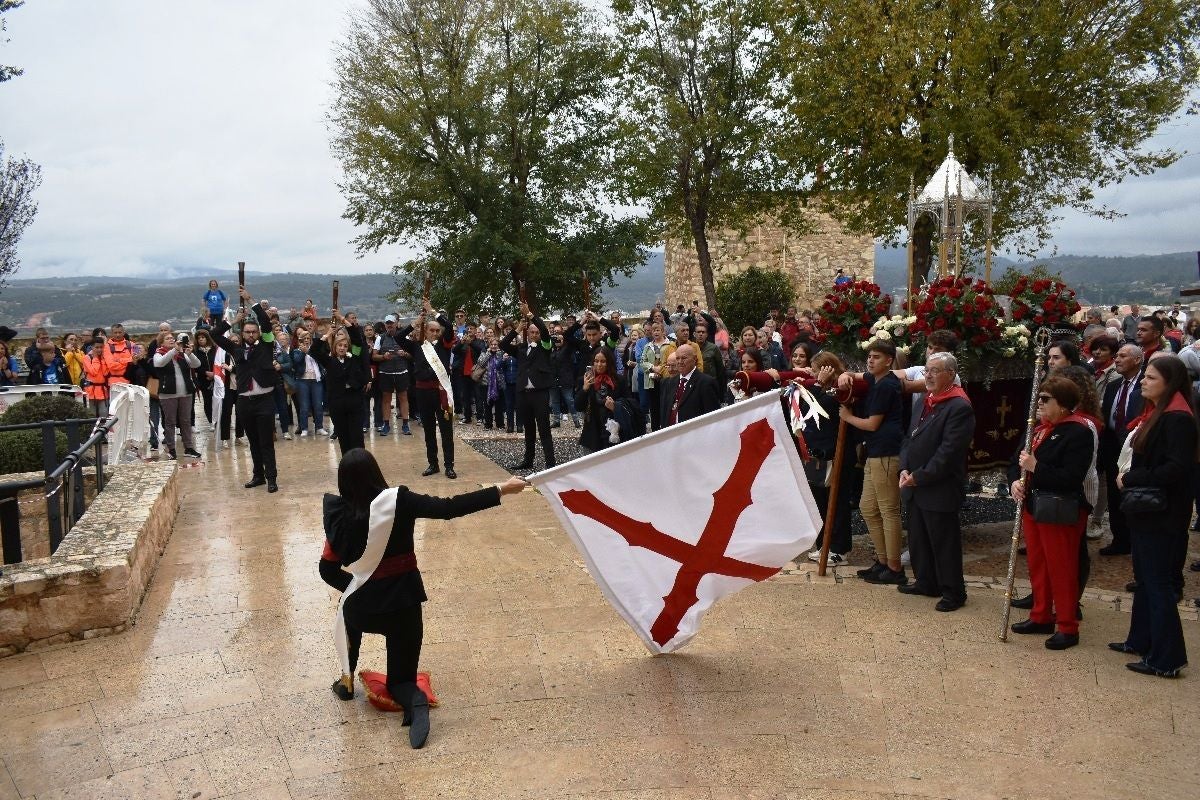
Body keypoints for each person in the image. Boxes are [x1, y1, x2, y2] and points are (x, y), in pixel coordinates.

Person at [321, 448, 528, 747]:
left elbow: (326, 570)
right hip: (403, 606)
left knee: (348, 603)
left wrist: (356, 587)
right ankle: (414, 703)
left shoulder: (338, 516)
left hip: (364, 611)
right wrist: (502, 490)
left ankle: (346, 679)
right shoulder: (398, 501)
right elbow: (449, 508)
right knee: (401, 681)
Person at [1112, 355, 1197, 677]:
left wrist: (1131, 478)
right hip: (1148, 512)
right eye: (1145, 376)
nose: (1144, 382)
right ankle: (1141, 639)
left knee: (1158, 583)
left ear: (1169, 383)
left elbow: (1176, 468)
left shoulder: (1177, 419)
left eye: (1150, 378)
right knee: (1146, 580)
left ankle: (1168, 658)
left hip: (1162, 515)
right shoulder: (1157, 413)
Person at [1008, 376, 1095, 650]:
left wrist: (1035, 467)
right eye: (1040, 398)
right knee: (1039, 564)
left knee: (1062, 568)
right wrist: (1015, 482)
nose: (1040, 404)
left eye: (1046, 399)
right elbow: (1016, 460)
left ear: (1064, 403)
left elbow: (1071, 476)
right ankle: (1041, 615)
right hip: (1035, 505)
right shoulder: (1038, 429)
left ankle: (1068, 627)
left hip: (1060, 508)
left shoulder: (1078, 431)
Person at [897, 352, 975, 611]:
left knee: (944, 542)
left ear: (950, 375)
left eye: (934, 371)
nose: (927, 375)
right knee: (918, 537)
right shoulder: (926, 400)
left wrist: (919, 477)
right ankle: (926, 581)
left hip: (939, 486)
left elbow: (948, 453)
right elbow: (910, 437)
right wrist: (905, 467)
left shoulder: (959, 407)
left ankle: (953, 591)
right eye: (926, 370)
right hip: (914, 482)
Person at [841, 340, 906, 585]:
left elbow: (872, 424)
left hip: (887, 452)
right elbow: (856, 374)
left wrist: (847, 417)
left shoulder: (886, 386)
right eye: (869, 356)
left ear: (889, 361)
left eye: (876, 357)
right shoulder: (875, 380)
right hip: (875, 452)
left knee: (888, 510)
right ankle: (882, 561)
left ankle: (894, 567)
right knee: (868, 507)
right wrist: (845, 375)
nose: (870, 360)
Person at [211, 289, 281, 492]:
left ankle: (272, 477)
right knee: (253, 442)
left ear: (258, 333)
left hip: (264, 400)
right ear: (242, 333)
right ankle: (258, 475)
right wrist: (233, 321)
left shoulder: (266, 345)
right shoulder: (236, 349)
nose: (251, 334)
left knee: (266, 442)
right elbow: (215, 334)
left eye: (254, 331)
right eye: (247, 332)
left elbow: (266, 322)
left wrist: (251, 301)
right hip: (244, 401)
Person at [398, 300, 457, 478]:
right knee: (429, 430)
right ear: (426, 331)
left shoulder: (445, 345)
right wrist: (415, 322)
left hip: (442, 392)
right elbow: (398, 338)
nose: (435, 333)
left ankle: (449, 465)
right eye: (431, 330)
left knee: (446, 431)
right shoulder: (417, 346)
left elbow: (449, 327)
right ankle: (433, 464)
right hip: (423, 393)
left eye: (437, 330)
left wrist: (433, 311)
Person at [500, 303, 556, 470]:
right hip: (523, 392)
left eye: (536, 332)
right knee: (529, 429)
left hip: (540, 393)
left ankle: (550, 463)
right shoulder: (521, 348)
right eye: (531, 332)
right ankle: (528, 459)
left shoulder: (546, 346)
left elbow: (545, 332)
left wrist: (530, 314)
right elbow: (503, 344)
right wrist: (517, 329)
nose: (534, 334)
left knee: (544, 428)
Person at [313, 312, 370, 455]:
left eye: (345, 345)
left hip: (354, 400)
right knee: (344, 437)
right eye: (339, 345)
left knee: (357, 436)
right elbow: (314, 351)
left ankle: (360, 463)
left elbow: (357, 338)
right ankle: (347, 465)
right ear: (335, 346)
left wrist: (342, 319)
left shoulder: (354, 358)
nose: (342, 348)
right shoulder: (329, 361)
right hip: (337, 402)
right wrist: (326, 335)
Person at [152, 331, 201, 459]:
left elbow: (197, 364)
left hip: (185, 393)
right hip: (168, 394)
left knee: (186, 420)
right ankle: (171, 449)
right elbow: (160, 363)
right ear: (161, 342)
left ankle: (189, 448)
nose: (171, 340)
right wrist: (174, 350)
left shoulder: (181, 354)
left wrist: (189, 353)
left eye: (172, 338)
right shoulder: (159, 354)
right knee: (170, 422)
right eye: (167, 338)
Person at [659, 344, 720, 426]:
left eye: (684, 358)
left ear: (694, 359)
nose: (680, 362)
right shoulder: (669, 383)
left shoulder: (706, 383)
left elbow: (712, 417)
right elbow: (664, 413)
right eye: (677, 358)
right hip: (671, 435)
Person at [577, 350, 625, 453]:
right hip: (592, 429)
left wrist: (615, 407)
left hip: (613, 428)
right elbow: (578, 406)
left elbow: (629, 403)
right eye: (596, 361)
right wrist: (584, 389)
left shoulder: (618, 380)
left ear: (609, 363)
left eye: (603, 361)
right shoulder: (586, 380)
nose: (599, 365)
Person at [373, 314, 412, 436]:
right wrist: (383, 357)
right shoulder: (380, 338)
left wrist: (405, 354)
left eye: (391, 323)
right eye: (387, 324)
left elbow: (413, 355)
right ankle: (386, 425)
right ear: (385, 325)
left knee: (403, 398)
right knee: (386, 399)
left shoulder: (405, 337)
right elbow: (374, 356)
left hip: (402, 371)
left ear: (396, 323)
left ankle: (405, 424)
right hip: (386, 372)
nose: (389, 326)